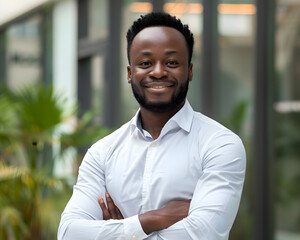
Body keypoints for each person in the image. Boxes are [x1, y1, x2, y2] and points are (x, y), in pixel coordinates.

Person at [58, 12, 246, 240]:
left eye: (172, 62)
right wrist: (149, 220)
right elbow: (69, 233)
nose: (158, 72)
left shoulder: (219, 145)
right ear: (130, 73)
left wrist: (119, 231)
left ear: (189, 71)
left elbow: (202, 234)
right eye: (146, 63)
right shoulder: (102, 154)